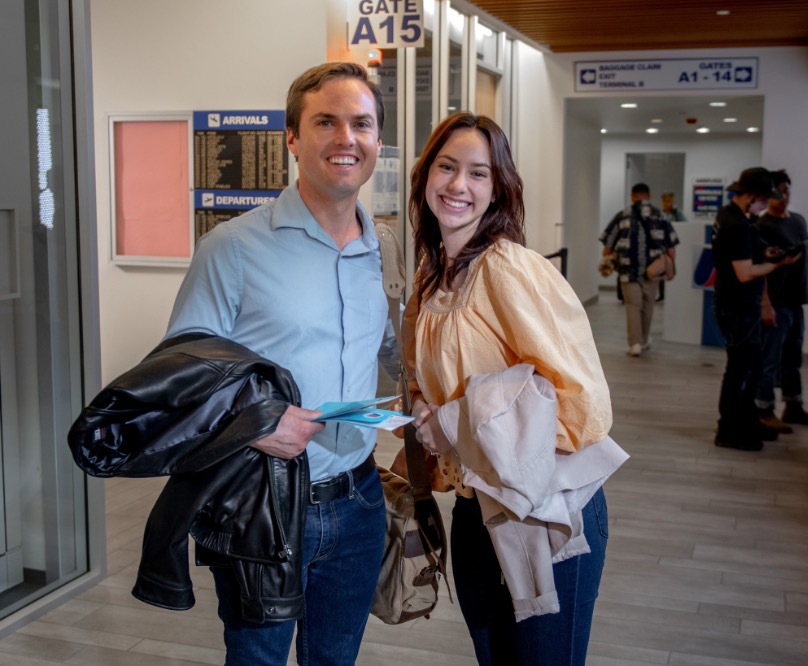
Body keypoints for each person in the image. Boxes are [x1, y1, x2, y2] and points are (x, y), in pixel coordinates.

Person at [164, 62, 398, 666]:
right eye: (326, 122)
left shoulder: (386, 250)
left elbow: (392, 352)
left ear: (377, 141)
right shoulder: (234, 248)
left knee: (334, 659)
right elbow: (181, 376)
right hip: (262, 505)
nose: (347, 138)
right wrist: (261, 421)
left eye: (362, 124)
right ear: (292, 139)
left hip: (360, 499)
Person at [402, 112, 627, 666]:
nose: (458, 185)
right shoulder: (432, 275)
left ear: (498, 188)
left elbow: (579, 403)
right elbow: (416, 374)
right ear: (425, 174)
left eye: (479, 174)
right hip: (478, 506)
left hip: (548, 508)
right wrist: (419, 407)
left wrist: (452, 422)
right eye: (447, 167)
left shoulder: (507, 267)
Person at [711, 167, 799, 452]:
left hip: (737, 306)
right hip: (737, 308)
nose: (764, 204)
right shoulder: (736, 224)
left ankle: (746, 421)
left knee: (751, 366)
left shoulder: (733, 218)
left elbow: (745, 255)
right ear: (750, 195)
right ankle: (728, 429)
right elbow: (745, 272)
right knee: (739, 369)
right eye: (762, 199)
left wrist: (767, 253)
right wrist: (778, 264)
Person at [755, 170, 808, 431]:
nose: (782, 196)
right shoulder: (762, 226)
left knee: (793, 357)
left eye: (786, 190)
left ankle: (793, 406)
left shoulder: (798, 221)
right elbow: (758, 267)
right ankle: (764, 409)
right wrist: (765, 304)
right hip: (775, 302)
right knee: (769, 358)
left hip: (796, 301)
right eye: (777, 192)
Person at [599, 183, 679, 356]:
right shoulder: (660, 215)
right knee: (648, 306)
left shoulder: (622, 216)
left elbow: (607, 248)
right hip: (653, 271)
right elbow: (671, 247)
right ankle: (644, 339)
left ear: (632, 196)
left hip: (628, 272)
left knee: (633, 306)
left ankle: (635, 344)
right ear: (648, 196)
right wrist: (669, 266)